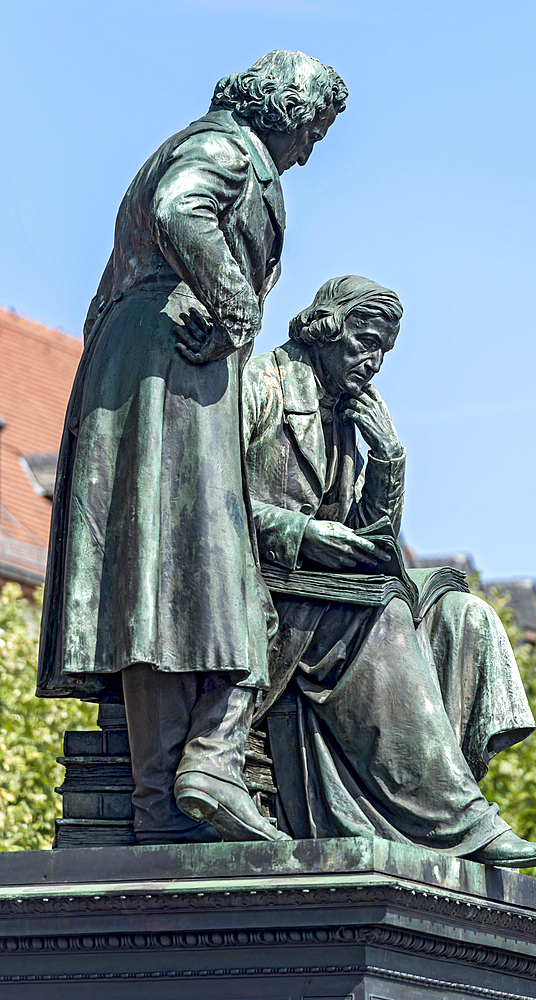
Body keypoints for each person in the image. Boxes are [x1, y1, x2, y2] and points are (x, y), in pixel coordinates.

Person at [36, 52, 347, 846]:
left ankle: (165, 799)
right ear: (281, 106)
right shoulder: (223, 148)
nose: (311, 148)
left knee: (162, 577)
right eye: (313, 127)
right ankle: (184, 780)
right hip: (169, 364)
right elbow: (182, 208)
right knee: (184, 565)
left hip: (161, 361)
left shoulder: (224, 147)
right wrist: (236, 306)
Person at [233, 275, 536, 866]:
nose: (374, 362)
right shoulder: (258, 385)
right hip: (262, 597)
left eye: (384, 349)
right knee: (383, 611)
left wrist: (387, 456)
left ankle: (433, 809)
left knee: (463, 617)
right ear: (325, 330)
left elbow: (372, 537)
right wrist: (302, 533)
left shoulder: (345, 412)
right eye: (364, 342)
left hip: (326, 593)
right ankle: (459, 825)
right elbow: (204, 504)